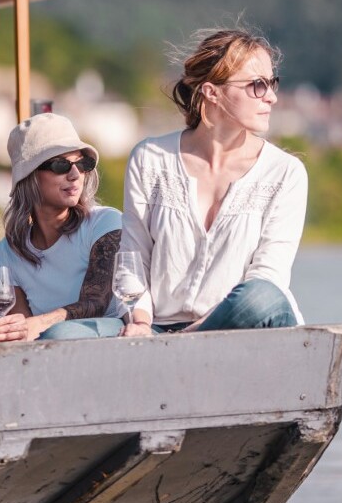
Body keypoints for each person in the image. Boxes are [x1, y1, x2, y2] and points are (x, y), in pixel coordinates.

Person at [115, 28, 305, 336]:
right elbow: (132, 262)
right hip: (157, 326)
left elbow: (268, 278)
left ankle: (180, 345)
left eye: (272, 83)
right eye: (257, 85)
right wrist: (139, 323)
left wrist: (185, 339)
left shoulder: (285, 172)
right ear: (212, 92)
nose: (271, 96)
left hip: (244, 323)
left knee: (262, 296)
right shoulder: (150, 158)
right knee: (63, 336)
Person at [0, 113, 123, 342]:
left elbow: (96, 303)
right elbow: (22, 330)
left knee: (59, 333)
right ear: (29, 176)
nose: (75, 174)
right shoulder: (6, 252)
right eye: (60, 165)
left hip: (108, 344)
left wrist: (40, 324)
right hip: (51, 353)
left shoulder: (106, 223)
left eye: (82, 163)